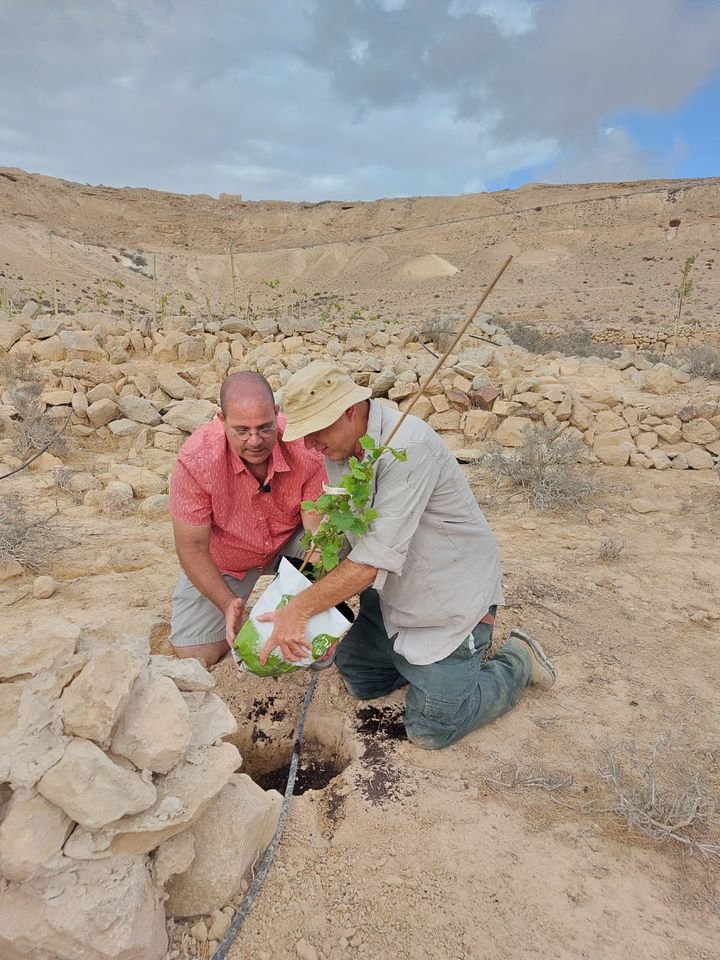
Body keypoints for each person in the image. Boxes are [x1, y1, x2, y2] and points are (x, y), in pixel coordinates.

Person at [256, 360, 557, 750]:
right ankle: (422, 668)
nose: (309, 445)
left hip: (450, 601)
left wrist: (300, 610)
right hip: (395, 595)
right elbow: (351, 535)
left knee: (432, 729)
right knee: (361, 679)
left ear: (348, 411)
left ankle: (517, 660)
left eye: (314, 432)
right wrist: (321, 609)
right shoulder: (341, 451)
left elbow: (371, 561)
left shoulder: (407, 447)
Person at [167, 371, 325, 666]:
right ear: (221, 420)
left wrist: (301, 606)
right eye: (241, 430)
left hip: (289, 544)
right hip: (227, 557)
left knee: (341, 544)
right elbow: (191, 548)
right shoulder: (195, 461)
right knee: (196, 653)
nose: (255, 441)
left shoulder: (304, 448)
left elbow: (317, 537)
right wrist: (227, 603)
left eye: (265, 428)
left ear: (277, 415)